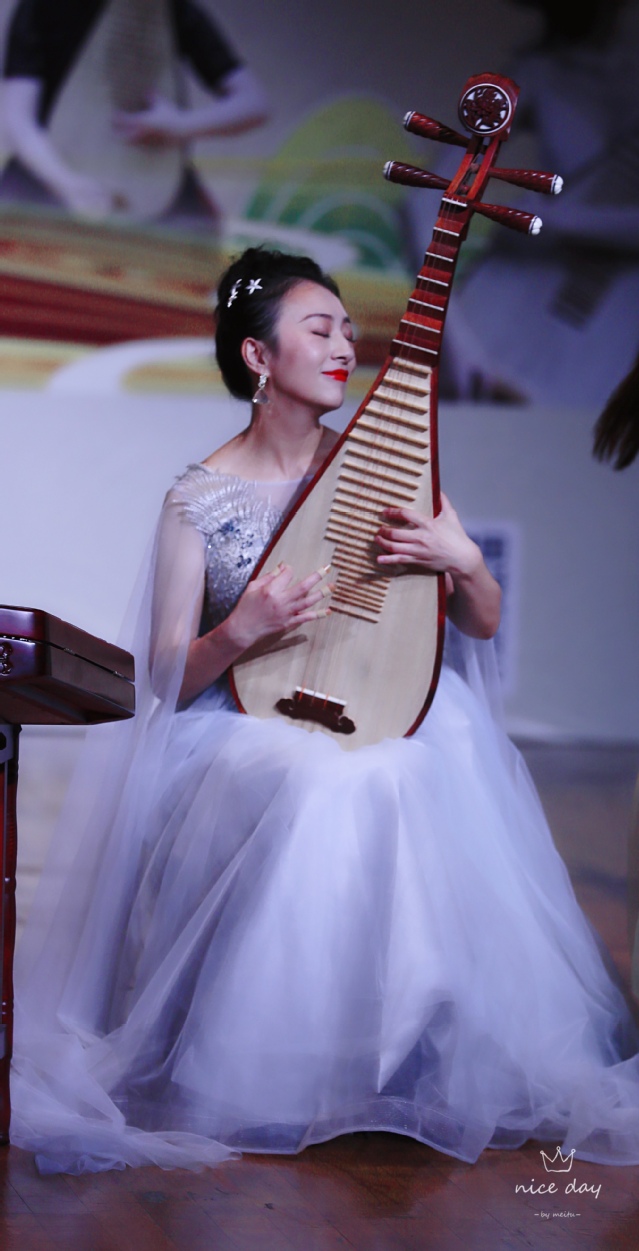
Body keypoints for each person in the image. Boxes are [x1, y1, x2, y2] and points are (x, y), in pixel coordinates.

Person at [11, 246, 639, 1175]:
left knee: (405, 765)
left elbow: (481, 619)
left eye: (348, 328)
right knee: (320, 782)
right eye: (319, 329)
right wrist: (243, 629)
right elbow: (166, 678)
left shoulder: (385, 467)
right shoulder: (199, 499)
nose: (345, 345)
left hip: (379, 707)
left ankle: (411, 1049)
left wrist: (462, 561)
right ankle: (277, 1066)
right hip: (239, 727)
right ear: (258, 357)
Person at [0, 0, 267, 221]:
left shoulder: (171, 9)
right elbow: (17, 119)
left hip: (153, 176)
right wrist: (68, 184)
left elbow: (255, 104)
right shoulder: (45, 7)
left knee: (194, 235)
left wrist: (179, 126)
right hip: (47, 168)